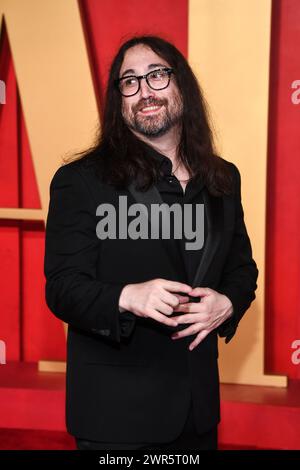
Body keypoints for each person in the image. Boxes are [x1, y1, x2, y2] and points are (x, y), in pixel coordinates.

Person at [44, 35, 258, 451]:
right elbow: (62, 287)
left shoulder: (223, 179)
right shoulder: (82, 181)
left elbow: (241, 269)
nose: (144, 90)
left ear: (182, 86)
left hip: (198, 413)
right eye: (129, 81)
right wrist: (126, 297)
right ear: (119, 101)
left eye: (157, 75)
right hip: (116, 418)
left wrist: (228, 303)